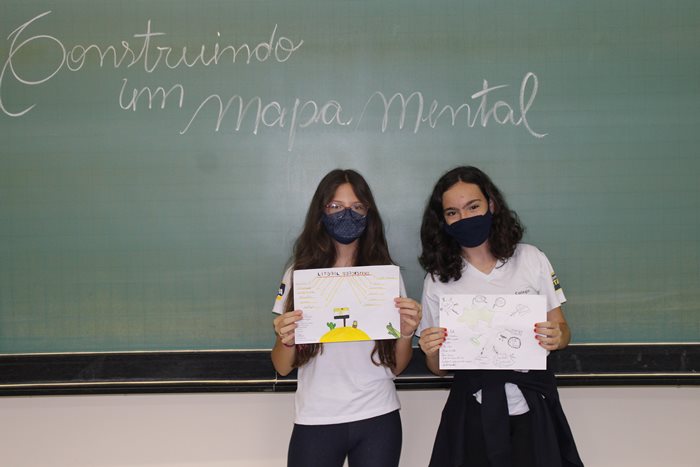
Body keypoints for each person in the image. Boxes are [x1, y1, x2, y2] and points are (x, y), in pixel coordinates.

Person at [417, 166, 584, 467]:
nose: (465, 217)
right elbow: (438, 368)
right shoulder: (437, 279)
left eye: (473, 206)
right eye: (453, 212)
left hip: (533, 406)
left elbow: (562, 330)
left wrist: (558, 336)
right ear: (443, 220)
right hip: (472, 411)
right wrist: (431, 351)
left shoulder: (531, 259)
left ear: (491, 204)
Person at [271, 169, 422, 467]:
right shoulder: (298, 275)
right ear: (321, 212)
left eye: (357, 207)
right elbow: (282, 366)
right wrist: (286, 338)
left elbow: (396, 366)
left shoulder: (385, 278)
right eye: (336, 206)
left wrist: (406, 333)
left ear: (369, 213)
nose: (347, 215)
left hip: (378, 414)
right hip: (317, 417)